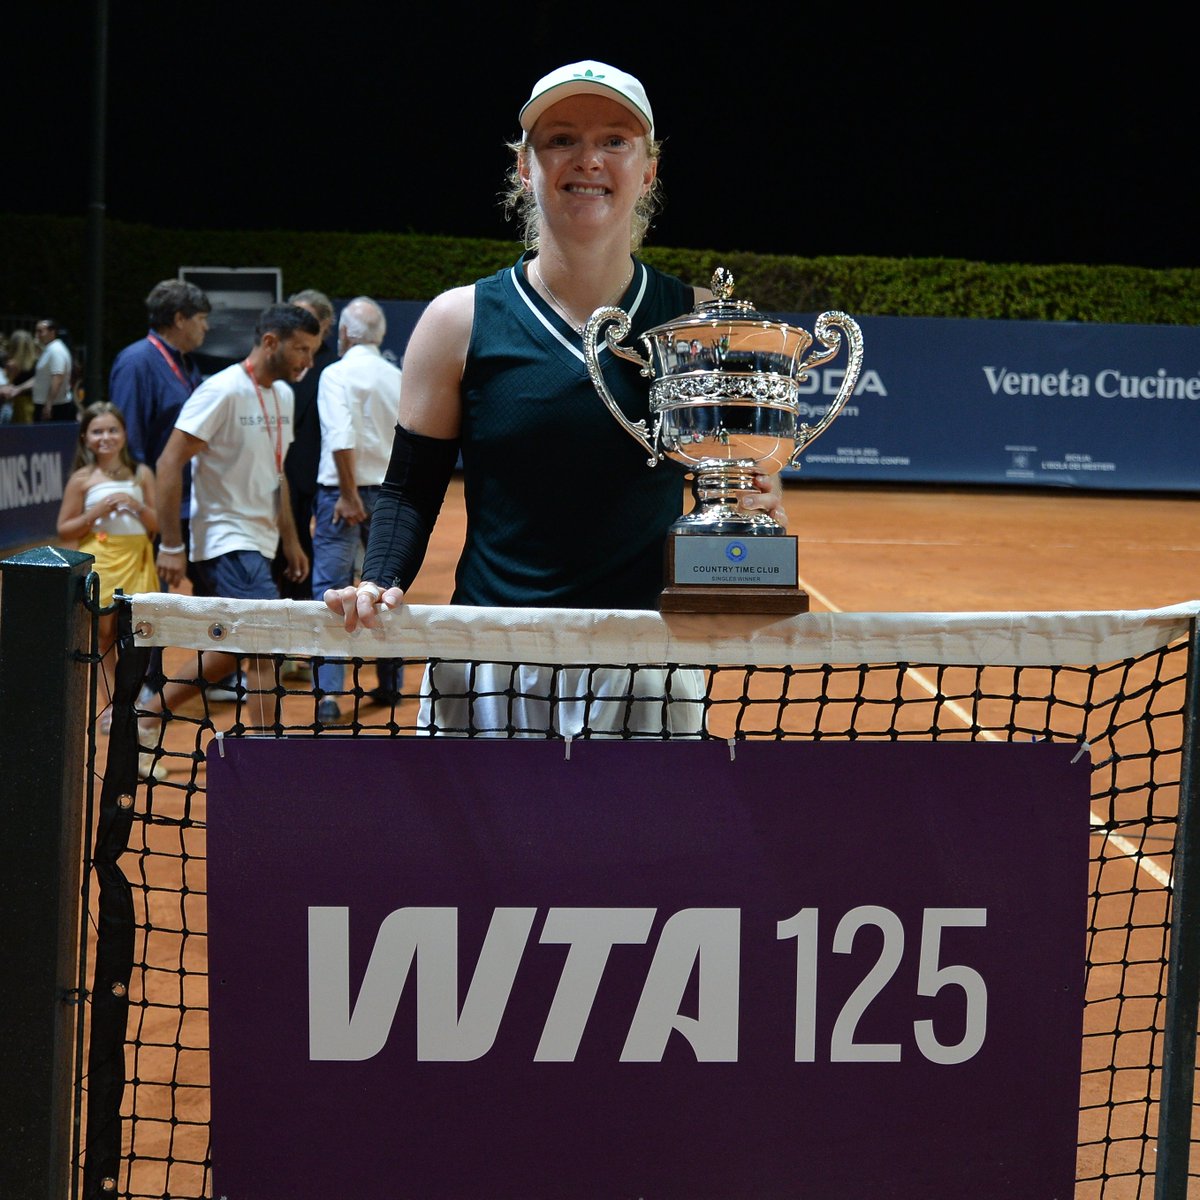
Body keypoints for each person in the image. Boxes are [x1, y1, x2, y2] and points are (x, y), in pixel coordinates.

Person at [324, 60, 785, 735]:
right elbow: (409, 488)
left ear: (648, 169)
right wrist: (379, 577)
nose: (588, 159)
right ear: (524, 166)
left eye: (615, 141)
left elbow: (735, 477)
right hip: (490, 657)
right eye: (560, 139)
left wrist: (755, 499)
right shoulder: (459, 321)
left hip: (644, 661)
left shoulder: (701, 322)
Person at [136, 303, 321, 772]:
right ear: (270, 342)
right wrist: (174, 545)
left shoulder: (284, 395)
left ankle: (146, 714)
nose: (307, 361)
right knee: (265, 638)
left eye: (313, 351)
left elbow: (275, 473)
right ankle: (264, 757)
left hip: (261, 540)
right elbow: (168, 462)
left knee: (238, 644)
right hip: (223, 537)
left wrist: (292, 540)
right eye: (301, 349)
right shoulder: (220, 391)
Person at [109, 278, 213, 699]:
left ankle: (203, 677)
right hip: (153, 508)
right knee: (148, 604)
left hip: (190, 504)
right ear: (179, 319)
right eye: (202, 319)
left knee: (195, 596)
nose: (206, 328)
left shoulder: (185, 363)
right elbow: (127, 441)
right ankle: (139, 691)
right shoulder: (137, 361)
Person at [310, 296, 403, 722]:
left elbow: (340, 435)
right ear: (380, 336)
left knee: (331, 589)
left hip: (341, 493)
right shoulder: (396, 374)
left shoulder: (334, 373)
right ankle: (390, 685)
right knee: (386, 587)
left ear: (345, 333)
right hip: (390, 494)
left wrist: (348, 494)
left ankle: (329, 695)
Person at [55, 402, 159, 733]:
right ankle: (113, 705)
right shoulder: (81, 479)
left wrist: (138, 506)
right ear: (86, 437)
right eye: (97, 431)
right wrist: (94, 512)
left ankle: (135, 698)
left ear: (124, 434)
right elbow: (65, 528)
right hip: (101, 560)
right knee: (104, 636)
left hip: (136, 559)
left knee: (141, 633)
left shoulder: (142, 473)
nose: (106, 437)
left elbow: (157, 525)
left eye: (112, 430)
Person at [273, 288, 336, 611]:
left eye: (307, 317)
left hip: (317, 472)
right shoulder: (279, 360)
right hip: (280, 471)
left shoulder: (334, 365)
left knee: (311, 551)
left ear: (326, 325)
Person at [31, 318, 76, 422]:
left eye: (40, 331)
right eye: (36, 331)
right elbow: (40, 378)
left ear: (52, 332)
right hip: (48, 405)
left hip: (55, 407)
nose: (37, 335)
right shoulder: (49, 350)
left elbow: (58, 377)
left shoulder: (56, 351)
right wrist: (18, 389)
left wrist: (49, 404)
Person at [0, 328, 40, 423]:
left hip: (18, 403)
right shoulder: (36, 362)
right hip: (33, 401)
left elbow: (8, 385)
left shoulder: (11, 364)